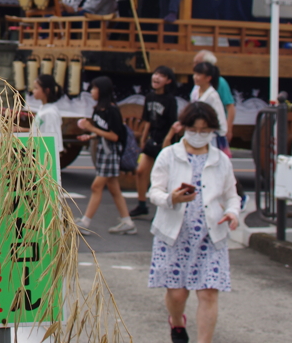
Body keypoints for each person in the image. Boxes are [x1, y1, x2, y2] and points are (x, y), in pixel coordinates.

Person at [148, 102, 240, 343]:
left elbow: (232, 195)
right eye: (194, 129)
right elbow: (154, 191)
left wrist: (232, 213)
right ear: (184, 128)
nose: (199, 135)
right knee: (177, 295)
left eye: (205, 130)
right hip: (175, 234)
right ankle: (177, 322)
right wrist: (171, 198)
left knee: (209, 294)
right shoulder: (169, 155)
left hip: (211, 235)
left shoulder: (221, 160)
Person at [76, 76, 136, 235]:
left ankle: (85, 222)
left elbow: (115, 136)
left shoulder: (112, 110)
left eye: (94, 88)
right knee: (114, 188)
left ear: (102, 90)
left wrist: (91, 129)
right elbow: (103, 133)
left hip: (110, 152)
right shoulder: (98, 109)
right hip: (103, 151)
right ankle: (127, 221)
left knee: (96, 186)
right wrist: (90, 136)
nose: (92, 91)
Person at [130, 66, 178, 218]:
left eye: (162, 76)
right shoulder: (149, 97)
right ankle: (142, 204)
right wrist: (143, 139)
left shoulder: (171, 100)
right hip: (152, 139)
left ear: (168, 81)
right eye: (156, 74)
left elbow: (173, 124)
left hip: (165, 142)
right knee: (140, 171)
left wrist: (168, 141)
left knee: (163, 177)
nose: (156, 78)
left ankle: (162, 209)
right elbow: (148, 121)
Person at [16, 73, 64, 157]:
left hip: (45, 155)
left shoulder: (50, 113)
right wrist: (22, 129)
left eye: (36, 88)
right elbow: (39, 131)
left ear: (46, 90)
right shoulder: (44, 108)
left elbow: (51, 137)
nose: (33, 91)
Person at [192, 51, 235, 140]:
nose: (194, 65)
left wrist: (228, 129)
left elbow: (230, 106)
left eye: (197, 62)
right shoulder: (197, 87)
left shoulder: (219, 84)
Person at [189, 62, 228, 153]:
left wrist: (220, 133)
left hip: (209, 136)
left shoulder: (212, 96)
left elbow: (219, 117)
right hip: (195, 133)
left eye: (198, 74)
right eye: (194, 74)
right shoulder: (194, 92)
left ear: (208, 78)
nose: (195, 77)